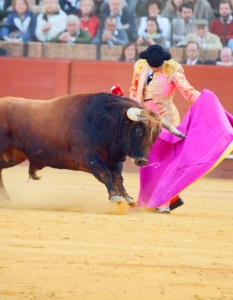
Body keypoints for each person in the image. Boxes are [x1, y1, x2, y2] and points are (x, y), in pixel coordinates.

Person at [130, 44, 201, 212]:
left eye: (158, 64)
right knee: (148, 159)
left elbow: (188, 92)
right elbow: (134, 91)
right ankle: (160, 199)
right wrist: (131, 107)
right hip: (145, 117)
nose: (155, 67)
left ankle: (163, 202)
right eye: (152, 64)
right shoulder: (140, 66)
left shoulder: (172, 69)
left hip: (167, 118)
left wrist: (205, 100)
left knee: (164, 160)